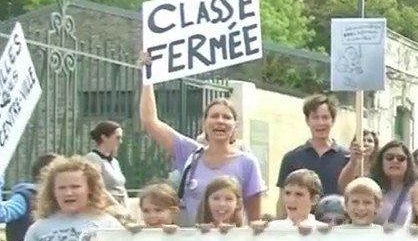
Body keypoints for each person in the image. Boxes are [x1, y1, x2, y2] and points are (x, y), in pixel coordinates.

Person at [138, 55, 265, 224]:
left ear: (235, 126)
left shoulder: (247, 163)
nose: (220, 121)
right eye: (214, 116)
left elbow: (254, 219)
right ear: (204, 123)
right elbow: (149, 121)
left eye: (226, 117)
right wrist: (148, 76)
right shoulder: (190, 153)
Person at [275, 94, 350, 217]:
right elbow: (283, 199)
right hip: (302, 229)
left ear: (333, 120)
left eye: (325, 117)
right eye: (315, 117)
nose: (320, 123)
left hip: (336, 227)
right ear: (307, 121)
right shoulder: (292, 158)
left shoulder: (347, 157)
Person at [370, 140, 418, 225]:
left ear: (408, 163)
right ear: (381, 161)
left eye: (401, 158)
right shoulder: (369, 188)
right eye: (389, 157)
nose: (395, 161)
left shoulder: (417, 190)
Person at [82, 120, 127, 207]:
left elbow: (121, 187)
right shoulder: (92, 158)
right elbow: (97, 186)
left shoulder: (114, 162)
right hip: (105, 205)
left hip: (121, 204)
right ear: (104, 137)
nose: (120, 142)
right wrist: (115, 205)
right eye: (117, 138)